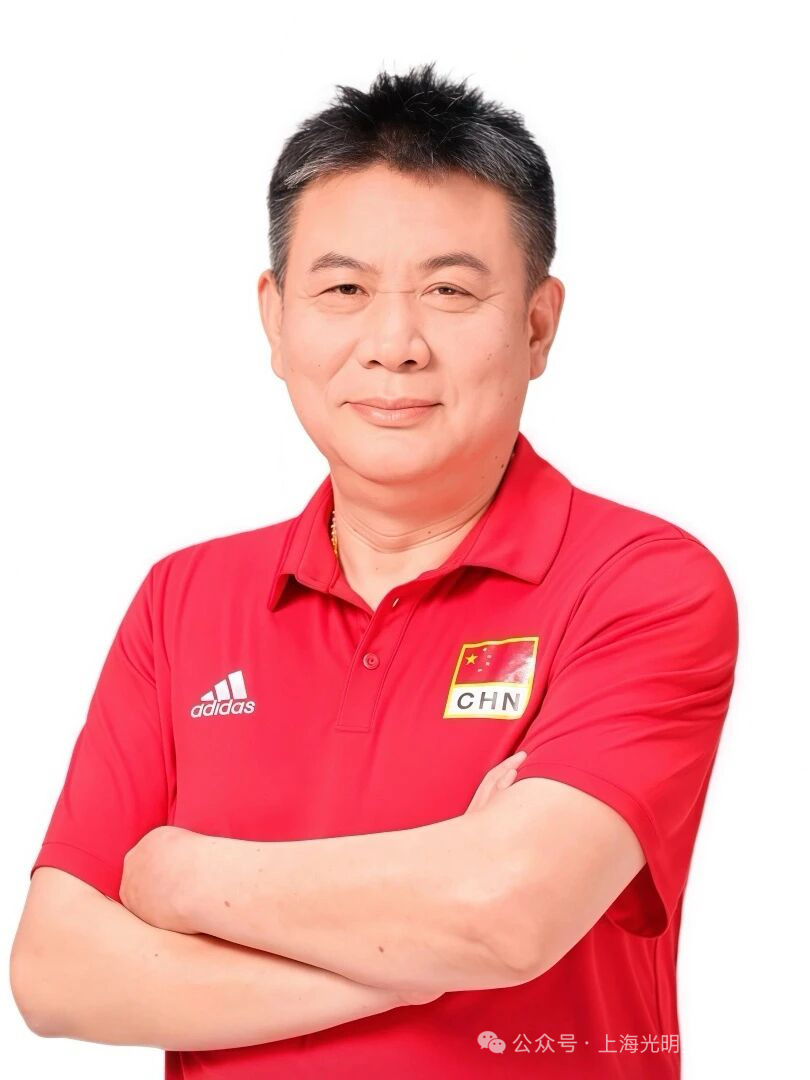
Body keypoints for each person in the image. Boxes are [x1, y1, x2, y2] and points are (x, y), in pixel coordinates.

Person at [10, 62, 738, 1078]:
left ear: (537, 324)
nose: (394, 345)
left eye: (450, 291)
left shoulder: (641, 585)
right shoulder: (184, 601)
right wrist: (420, 961)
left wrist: (179, 876)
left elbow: (505, 915)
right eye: (345, 290)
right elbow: (56, 974)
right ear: (276, 319)